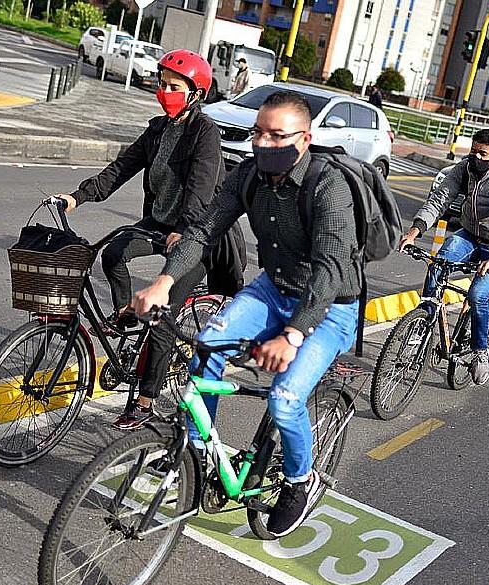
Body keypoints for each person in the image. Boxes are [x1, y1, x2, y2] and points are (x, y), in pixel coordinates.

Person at [132, 91, 360, 537]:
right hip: (273, 289)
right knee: (207, 345)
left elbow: (331, 268)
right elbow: (204, 230)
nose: (264, 143)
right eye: (259, 133)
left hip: (329, 308)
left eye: (278, 135)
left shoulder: (328, 186)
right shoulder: (249, 176)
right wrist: (164, 281)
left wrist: (293, 335)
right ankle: (195, 454)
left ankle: (300, 480)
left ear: (305, 138)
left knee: (286, 398)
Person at [54, 49, 246, 430]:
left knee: (162, 317)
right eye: (162, 85)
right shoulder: (159, 129)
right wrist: (79, 196)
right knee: (112, 254)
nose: (165, 92)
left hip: (199, 235)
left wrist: (186, 227)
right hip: (160, 224)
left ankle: (144, 401)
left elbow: (201, 186)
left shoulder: (204, 133)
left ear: (196, 94)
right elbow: (122, 166)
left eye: (174, 87)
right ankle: (126, 312)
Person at [398, 128, 489, 386]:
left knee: (478, 294)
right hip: (469, 234)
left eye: (483, 153)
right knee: (436, 266)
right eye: (473, 151)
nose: (477, 157)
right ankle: (422, 328)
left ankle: (481, 350)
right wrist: (415, 230)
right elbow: (440, 199)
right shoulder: (464, 169)